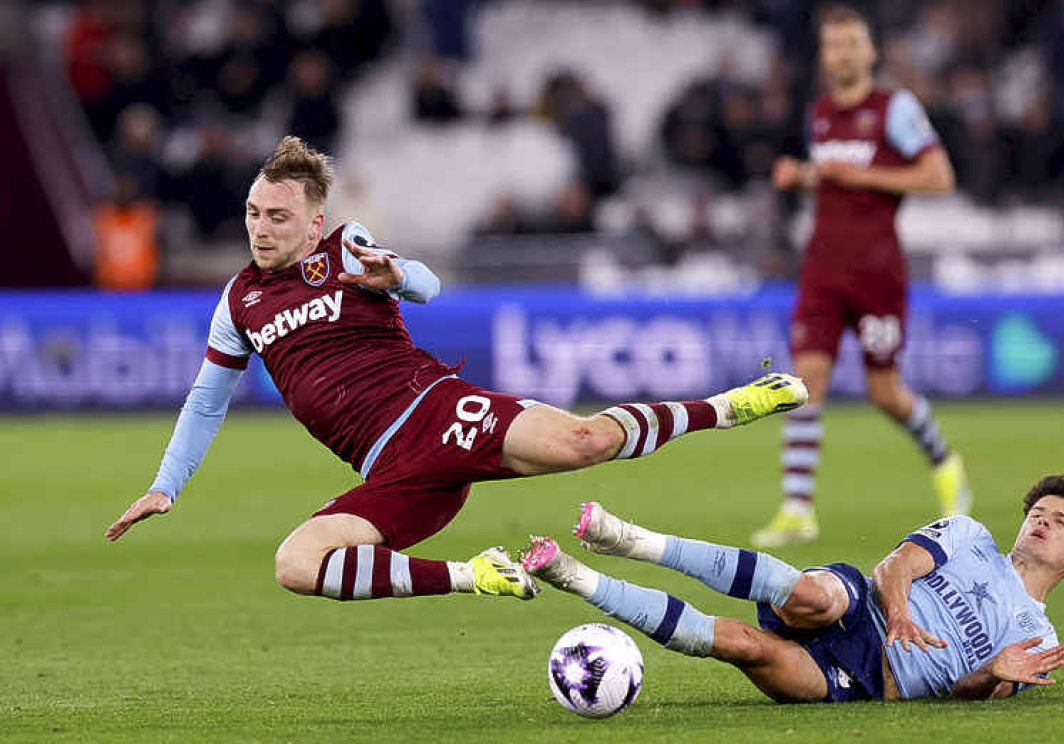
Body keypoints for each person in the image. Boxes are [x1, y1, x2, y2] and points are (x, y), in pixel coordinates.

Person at [105, 136, 808, 604]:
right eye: (254, 214)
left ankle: (730, 404)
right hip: (393, 472)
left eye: (279, 217)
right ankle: (476, 575)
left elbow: (429, 285)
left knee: (586, 442)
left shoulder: (347, 250)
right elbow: (206, 400)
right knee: (296, 564)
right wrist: (165, 486)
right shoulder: (240, 300)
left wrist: (397, 275)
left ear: (315, 224)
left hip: (437, 413)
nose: (261, 229)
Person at [522, 474, 1064, 703]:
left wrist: (994, 674)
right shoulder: (971, 535)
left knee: (742, 645)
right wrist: (898, 612)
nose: (1041, 521)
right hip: (864, 605)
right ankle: (632, 540)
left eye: (1059, 520)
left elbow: (968, 694)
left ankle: (579, 579)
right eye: (1037, 513)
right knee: (815, 596)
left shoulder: (1037, 638)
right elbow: (896, 564)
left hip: (872, 680)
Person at [759, 5, 965, 547]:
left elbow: (940, 176)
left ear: (871, 51)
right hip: (822, 269)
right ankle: (798, 508)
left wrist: (861, 173)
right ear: (825, 56)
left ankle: (945, 461)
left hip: (877, 273)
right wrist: (803, 177)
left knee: (885, 393)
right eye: (835, 46)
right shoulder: (820, 113)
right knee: (806, 384)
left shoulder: (894, 109)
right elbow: (835, 183)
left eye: (853, 44)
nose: (844, 54)